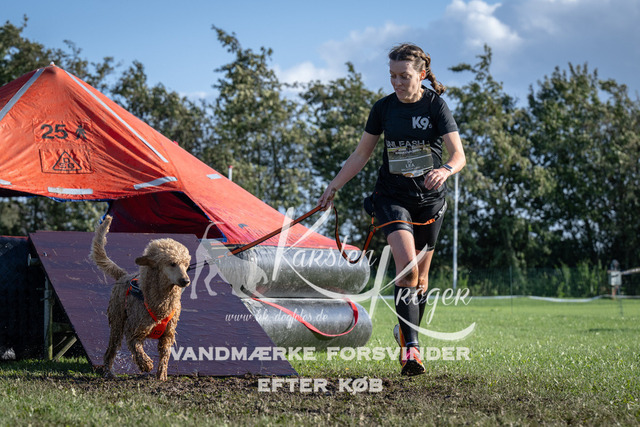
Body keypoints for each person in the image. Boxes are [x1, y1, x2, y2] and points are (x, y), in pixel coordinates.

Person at [317, 43, 466, 376]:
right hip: (391, 198)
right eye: (392, 76)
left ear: (421, 74)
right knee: (408, 271)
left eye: (404, 76)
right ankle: (412, 350)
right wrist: (334, 185)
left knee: (421, 280)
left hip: (429, 201)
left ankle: (405, 331)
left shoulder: (436, 106)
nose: (397, 82)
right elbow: (361, 154)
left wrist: (445, 170)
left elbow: (459, 156)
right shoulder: (383, 108)